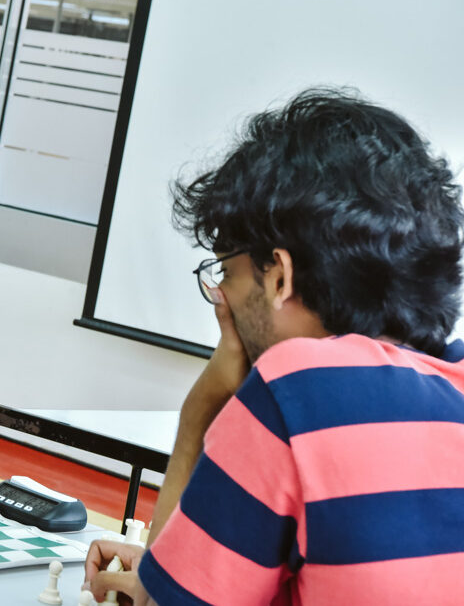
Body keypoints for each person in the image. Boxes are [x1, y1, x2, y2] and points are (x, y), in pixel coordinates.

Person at [84, 88, 464, 604]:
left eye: (226, 272)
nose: (222, 298)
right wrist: (172, 566)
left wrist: (202, 407)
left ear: (279, 277)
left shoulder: (296, 386)